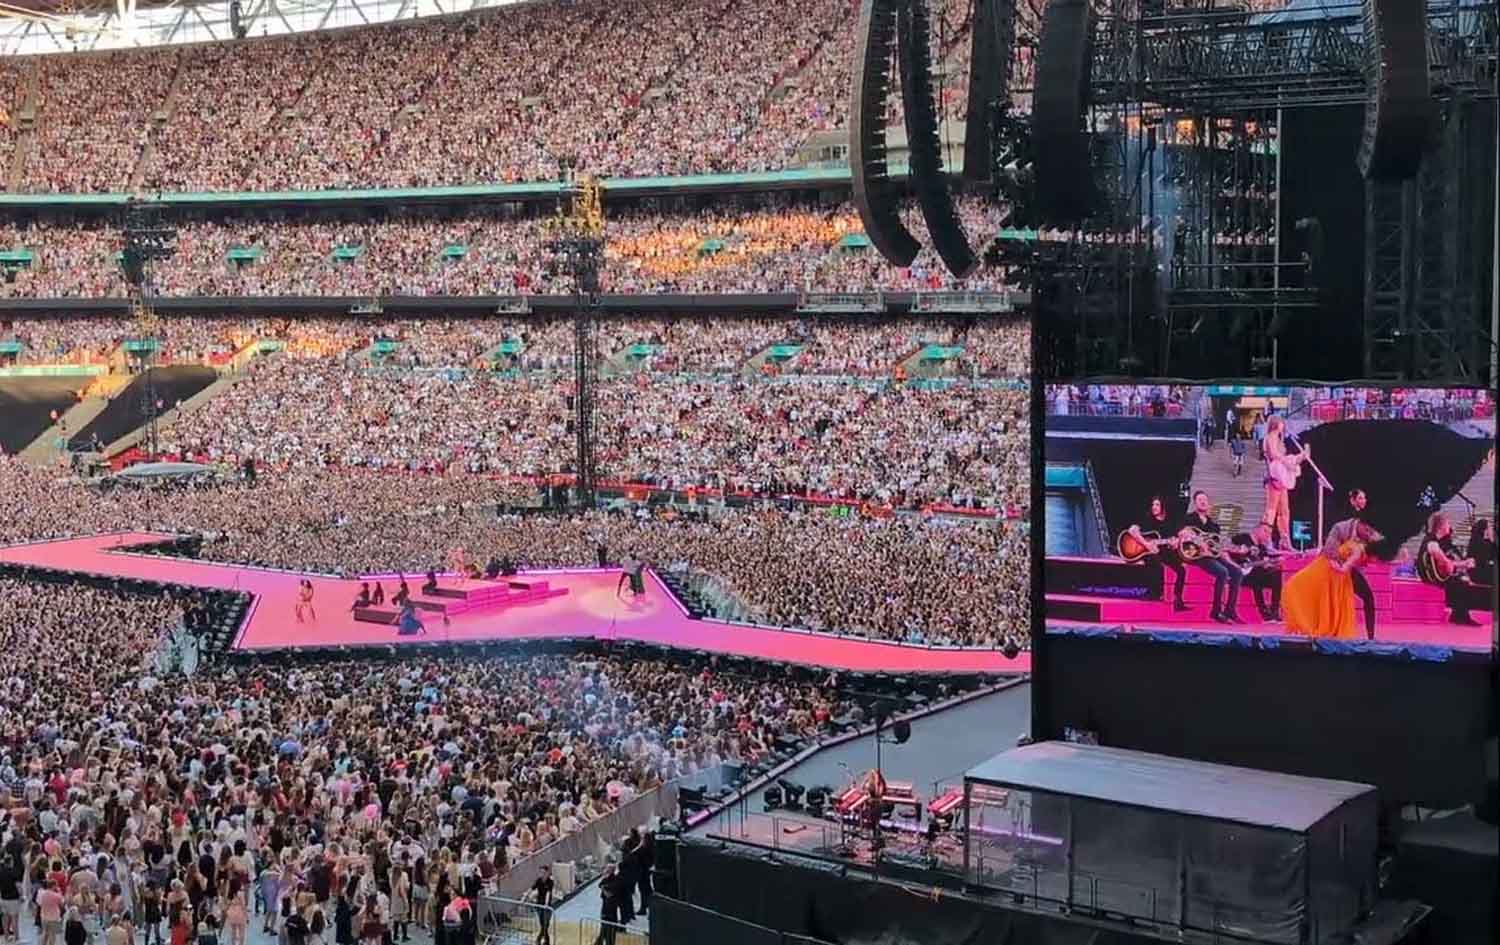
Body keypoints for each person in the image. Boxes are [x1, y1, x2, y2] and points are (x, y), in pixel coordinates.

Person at [1283, 520, 1379, 639]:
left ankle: (1371, 637)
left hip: (1347, 570)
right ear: (1360, 523)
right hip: (1329, 566)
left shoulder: (1369, 539)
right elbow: (1330, 550)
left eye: (1371, 532)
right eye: (1367, 530)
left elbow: (1372, 557)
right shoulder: (1340, 528)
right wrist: (1343, 564)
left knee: (1368, 596)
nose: (1368, 534)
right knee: (1304, 588)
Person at [1179, 490, 1243, 624]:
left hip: (1210, 555)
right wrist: (1200, 542)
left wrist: (1232, 560)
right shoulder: (1188, 518)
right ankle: (1216, 611)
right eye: (1199, 500)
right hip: (1195, 555)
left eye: (1204, 500)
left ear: (1208, 503)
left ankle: (1230, 611)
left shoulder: (1214, 525)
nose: (1203, 502)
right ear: (1195, 503)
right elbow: (1183, 533)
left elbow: (1218, 548)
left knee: (1237, 572)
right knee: (1222, 572)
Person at [1417, 512, 1486, 626]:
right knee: (1460, 582)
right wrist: (1446, 561)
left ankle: (1457, 615)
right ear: (1442, 526)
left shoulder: (1442, 541)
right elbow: (1433, 549)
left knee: (1460, 580)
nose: (1450, 527)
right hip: (1430, 578)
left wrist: (1462, 564)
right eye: (1448, 524)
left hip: (1437, 576)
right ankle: (1460, 617)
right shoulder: (1430, 539)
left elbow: (1448, 565)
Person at [1126, 497, 1189, 612]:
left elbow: (1171, 540)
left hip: (1163, 551)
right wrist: (1146, 544)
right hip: (1146, 551)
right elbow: (1132, 530)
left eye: (1157, 505)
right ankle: (1155, 593)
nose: (1154, 507)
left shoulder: (1170, 522)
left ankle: (1178, 599)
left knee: (1181, 570)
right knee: (1156, 563)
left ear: (1163, 507)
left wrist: (1175, 543)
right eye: (1153, 505)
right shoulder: (1147, 519)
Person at [1260, 416, 1306, 550]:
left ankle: (1285, 539)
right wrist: (1287, 462)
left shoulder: (1279, 439)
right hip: (1274, 477)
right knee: (1271, 510)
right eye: (1281, 423)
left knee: (1284, 510)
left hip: (1281, 477)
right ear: (1276, 424)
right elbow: (1274, 455)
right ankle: (1266, 539)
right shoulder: (1270, 437)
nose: (1283, 425)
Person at [1229, 523, 1283, 622]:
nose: (1267, 535)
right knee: (1258, 573)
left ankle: (1274, 611)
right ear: (1256, 530)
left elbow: (1263, 563)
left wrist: (1272, 563)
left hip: (1254, 575)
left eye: (1269, 533)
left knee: (1276, 573)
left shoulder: (1262, 547)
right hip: (1239, 573)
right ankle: (1264, 612)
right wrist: (1238, 557)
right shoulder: (1242, 538)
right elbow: (1228, 546)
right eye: (1265, 531)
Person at [591, 865, 622, 945]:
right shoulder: (607, 879)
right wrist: (604, 886)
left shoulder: (616, 880)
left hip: (611, 906)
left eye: (607, 869)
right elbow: (600, 885)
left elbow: (610, 892)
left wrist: (605, 888)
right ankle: (601, 942)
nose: (605, 870)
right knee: (604, 924)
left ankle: (606, 942)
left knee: (609, 926)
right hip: (606, 905)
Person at [527, 866, 553, 945]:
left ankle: (538, 939)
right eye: (541, 872)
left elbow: (548, 893)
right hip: (539, 905)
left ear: (547, 873)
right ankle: (546, 941)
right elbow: (531, 888)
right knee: (542, 924)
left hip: (547, 907)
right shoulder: (538, 880)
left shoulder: (550, 882)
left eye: (544, 872)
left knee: (546, 925)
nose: (542, 874)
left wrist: (546, 904)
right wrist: (524, 898)